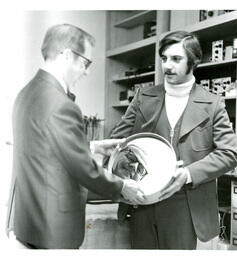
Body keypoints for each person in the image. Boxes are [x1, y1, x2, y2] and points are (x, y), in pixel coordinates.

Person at [9, 23, 145, 249]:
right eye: (85, 63)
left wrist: (93, 146)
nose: (87, 71)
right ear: (67, 56)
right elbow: (85, 169)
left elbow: (45, 146)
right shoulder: (61, 103)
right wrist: (122, 187)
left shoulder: (26, 94)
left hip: (30, 223)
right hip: (53, 228)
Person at [109, 30, 237, 249]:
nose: (167, 66)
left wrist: (187, 174)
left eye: (176, 59)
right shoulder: (143, 97)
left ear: (194, 61)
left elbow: (229, 154)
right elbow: (115, 142)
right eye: (164, 58)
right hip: (141, 203)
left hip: (185, 207)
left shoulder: (213, 103)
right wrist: (123, 173)